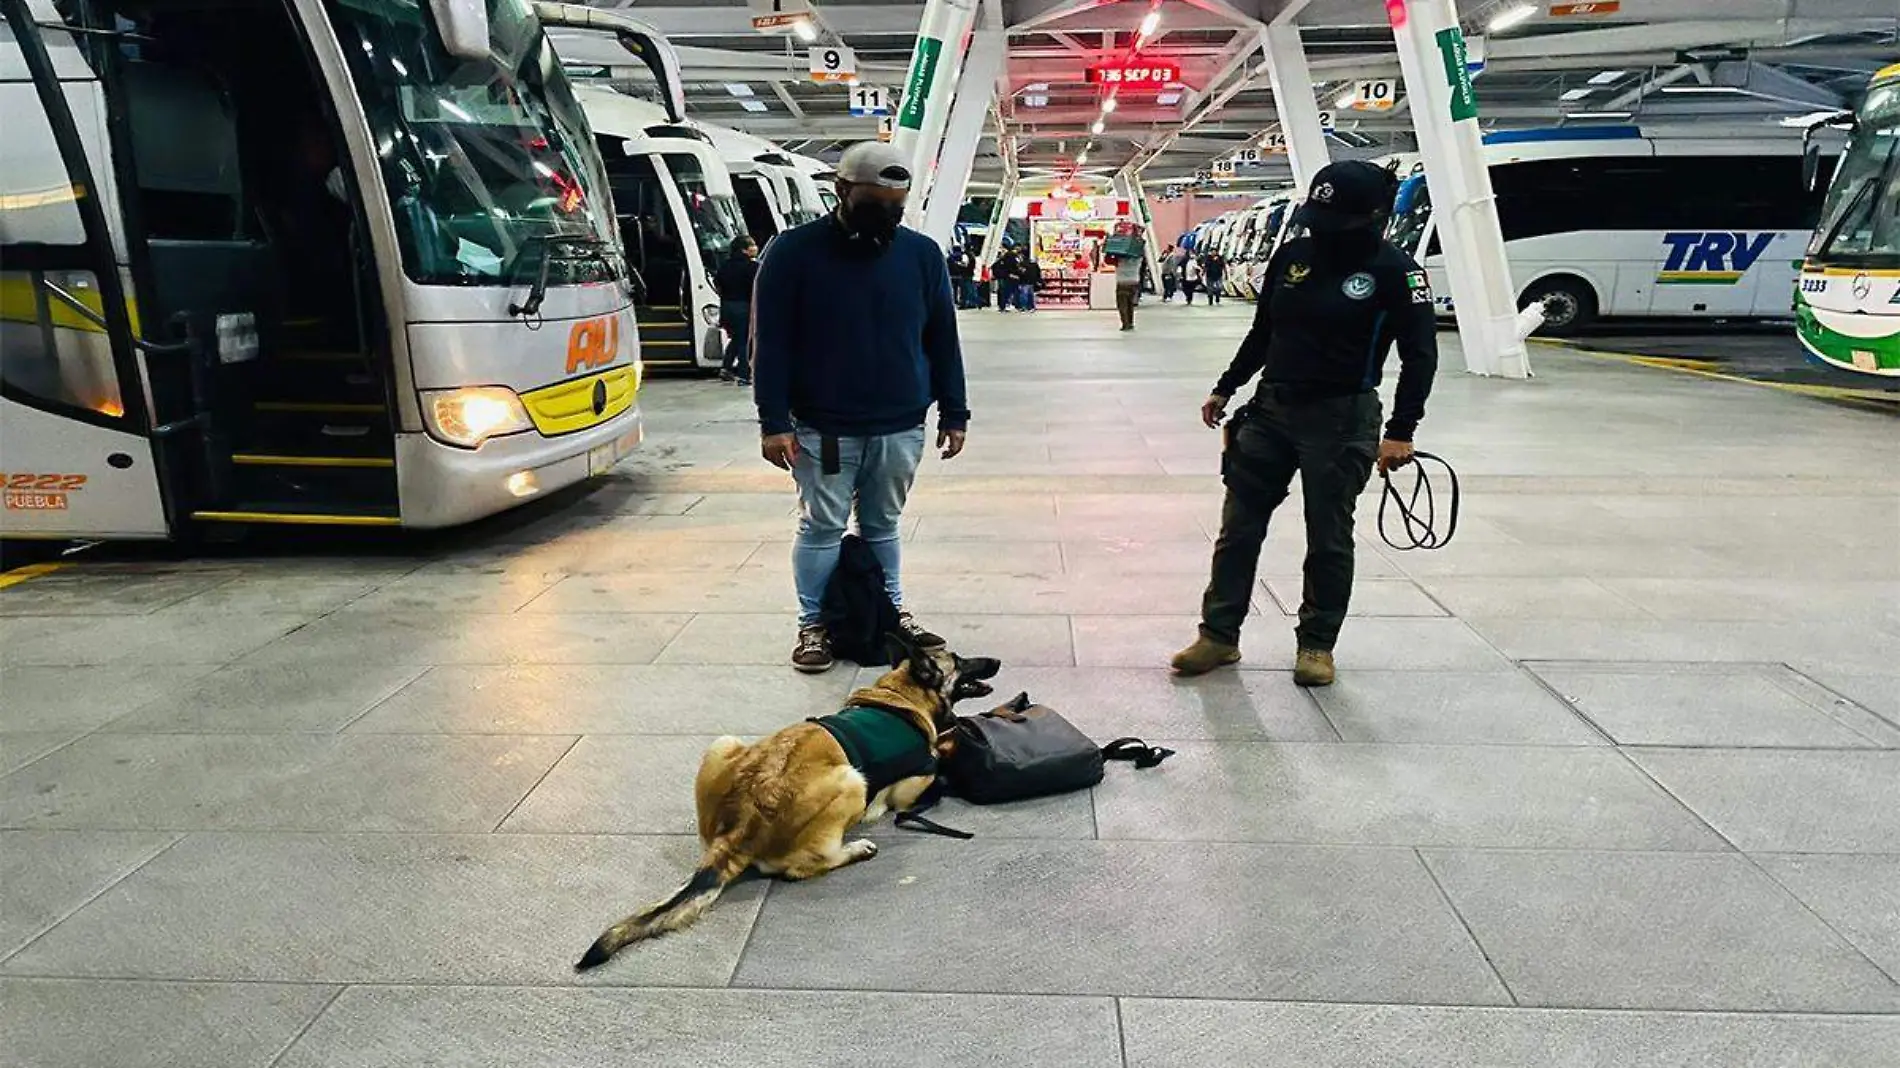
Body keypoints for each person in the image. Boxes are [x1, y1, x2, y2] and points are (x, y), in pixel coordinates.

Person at [1171, 160, 1438, 688]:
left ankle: (1317, 644)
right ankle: (1219, 635)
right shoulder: (1292, 255)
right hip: (1271, 411)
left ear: (1375, 216)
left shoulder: (1398, 272)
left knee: (1329, 537)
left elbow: (1420, 355)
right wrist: (1227, 386)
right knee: (1238, 529)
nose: (1322, 229)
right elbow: (1265, 329)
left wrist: (1402, 430)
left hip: (1343, 418)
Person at [752, 142, 970, 673]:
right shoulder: (793, 252)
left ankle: (890, 613)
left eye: (897, 204)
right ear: (842, 191)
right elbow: (770, 341)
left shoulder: (920, 255)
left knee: (883, 524)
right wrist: (773, 421)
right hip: (825, 429)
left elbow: (943, 336)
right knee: (821, 526)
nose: (888, 213)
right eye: (876, 202)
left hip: (900, 425)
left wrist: (955, 411)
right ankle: (815, 625)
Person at [714, 235, 760, 384]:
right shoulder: (752, 267)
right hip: (744, 307)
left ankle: (726, 369)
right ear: (744, 250)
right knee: (745, 342)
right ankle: (744, 375)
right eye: (752, 245)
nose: (755, 248)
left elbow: (718, 284)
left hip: (727, 306)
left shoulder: (724, 266)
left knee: (736, 338)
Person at [1112, 251, 1141, 330]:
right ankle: (1130, 323)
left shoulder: (1118, 260)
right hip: (1134, 283)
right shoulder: (1137, 259)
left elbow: (1107, 260)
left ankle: (1125, 324)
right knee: (1130, 304)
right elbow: (1141, 253)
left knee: (1122, 305)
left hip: (1122, 283)